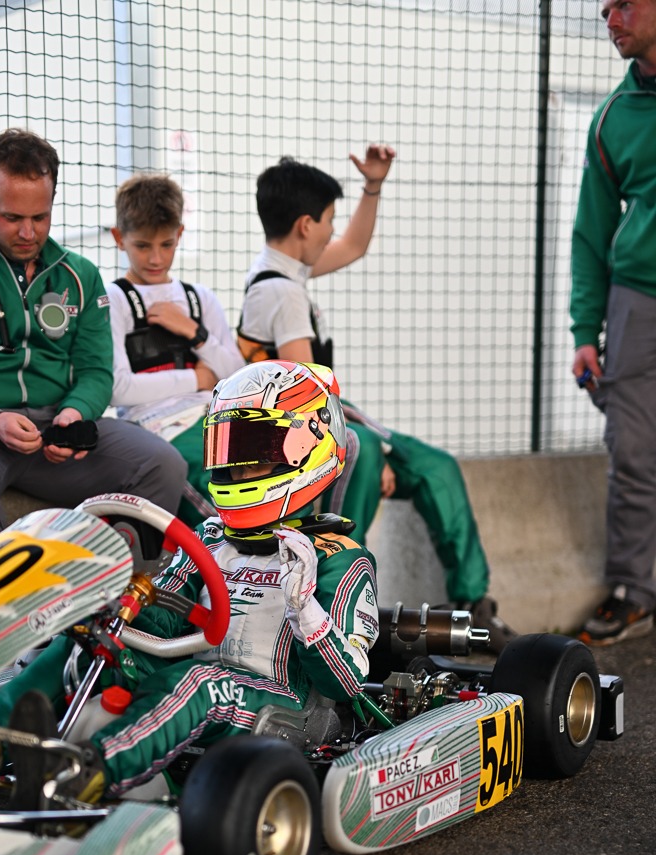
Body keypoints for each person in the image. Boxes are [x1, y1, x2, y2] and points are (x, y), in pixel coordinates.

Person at [0, 360, 380, 807]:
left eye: (253, 452)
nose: (238, 469)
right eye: (230, 453)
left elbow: (346, 684)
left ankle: (90, 771)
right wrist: (110, 608)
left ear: (309, 447)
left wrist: (305, 610)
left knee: (198, 682)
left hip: (286, 704)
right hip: (195, 679)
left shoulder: (341, 559)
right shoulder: (212, 538)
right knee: (92, 641)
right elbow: (164, 619)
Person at [238, 149, 516, 653]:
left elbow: (353, 246)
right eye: (328, 220)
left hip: (330, 420)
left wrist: (372, 187)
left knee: (435, 467)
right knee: (363, 454)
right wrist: (370, 445)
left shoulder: (286, 272)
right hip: (304, 441)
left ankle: (475, 604)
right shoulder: (282, 293)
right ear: (305, 225)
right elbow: (306, 401)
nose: (332, 230)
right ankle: (346, 604)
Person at [0, 128, 186, 561]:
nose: (28, 232)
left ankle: (118, 593)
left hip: (51, 429)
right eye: (12, 217)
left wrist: (74, 415)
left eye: (41, 217)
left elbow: (96, 372)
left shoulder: (81, 275)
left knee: (163, 464)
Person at [570, 0, 656, 646]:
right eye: (604, 11)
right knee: (631, 451)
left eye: (624, 4)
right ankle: (633, 590)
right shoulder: (611, 118)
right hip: (636, 304)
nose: (611, 19)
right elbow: (590, 235)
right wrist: (584, 333)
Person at [106, 173, 244, 525]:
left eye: (166, 245)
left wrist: (194, 332)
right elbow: (119, 389)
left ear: (180, 234)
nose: (156, 258)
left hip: (215, 419)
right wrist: (198, 378)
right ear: (119, 238)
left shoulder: (199, 298)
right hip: (154, 429)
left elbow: (238, 376)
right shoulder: (112, 299)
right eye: (143, 246)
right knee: (221, 494)